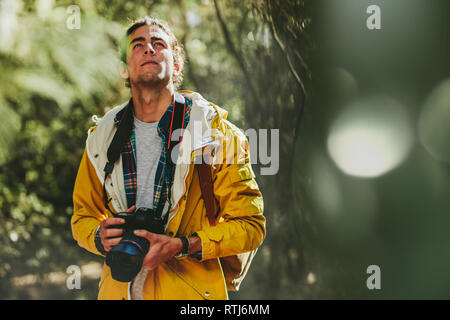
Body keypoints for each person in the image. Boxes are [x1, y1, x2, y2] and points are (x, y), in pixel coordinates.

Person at [71, 16, 265, 300]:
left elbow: (251, 225)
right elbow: (82, 217)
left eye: (158, 43)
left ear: (175, 66)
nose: (148, 48)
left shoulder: (217, 134)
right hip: (118, 290)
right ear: (124, 69)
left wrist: (182, 244)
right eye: (138, 44)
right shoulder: (102, 138)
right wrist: (99, 236)